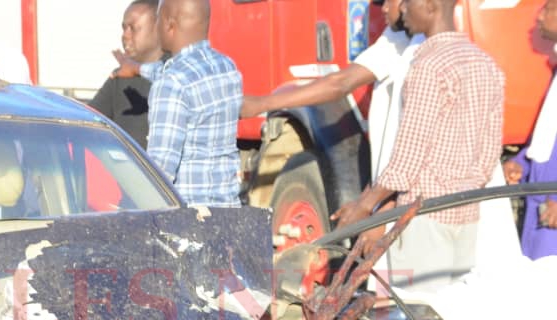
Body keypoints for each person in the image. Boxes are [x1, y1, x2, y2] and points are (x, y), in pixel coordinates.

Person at [333, 0, 504, 292]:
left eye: (408, 2)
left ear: (429, 6)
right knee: (456, 317)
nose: (402, 9)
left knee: (421, 315)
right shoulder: (486, 63)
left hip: (425, 217)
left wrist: (364, 207)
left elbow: (406, 162)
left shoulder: (428, 67)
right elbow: (489, 152)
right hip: (467, 212)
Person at [241, 0, 419, 181]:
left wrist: (261, 103)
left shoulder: (408, 45)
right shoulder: (400, 36)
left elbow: (339, 83)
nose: (384, 8)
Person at [140, 0, 242, 207]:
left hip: (190, 219)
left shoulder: (171, 83)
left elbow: (161, 172)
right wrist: (135, 68)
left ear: (169, 24)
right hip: (228, 212)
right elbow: (174, 74)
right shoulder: (227, 67)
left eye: (157, 19)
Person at [503, 0, 557, 259]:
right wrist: (522, 162)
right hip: (540, 203)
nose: (539, 16)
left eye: (549, 8)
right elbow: (549, 137)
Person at [89, 0, 161, 149]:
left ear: (158, 29)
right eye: (124, 28)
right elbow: (89, 120)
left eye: (133, 28)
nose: (125, 35)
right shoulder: (120, 77)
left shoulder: (173, 73)